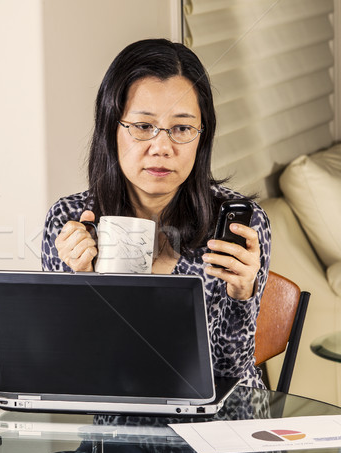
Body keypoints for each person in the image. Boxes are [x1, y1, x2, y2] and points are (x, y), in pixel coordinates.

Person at [41, 39, 271, 389]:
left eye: (181, 129)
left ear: (201, 136)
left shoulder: (237, 223)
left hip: (217, 426)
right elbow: (72, 370)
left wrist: (242, 295)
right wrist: (83, 285)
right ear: (111, 129)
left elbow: (231, 373)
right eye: (143, 126)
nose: (162, 147)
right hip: (114, 429)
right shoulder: (71, 220)